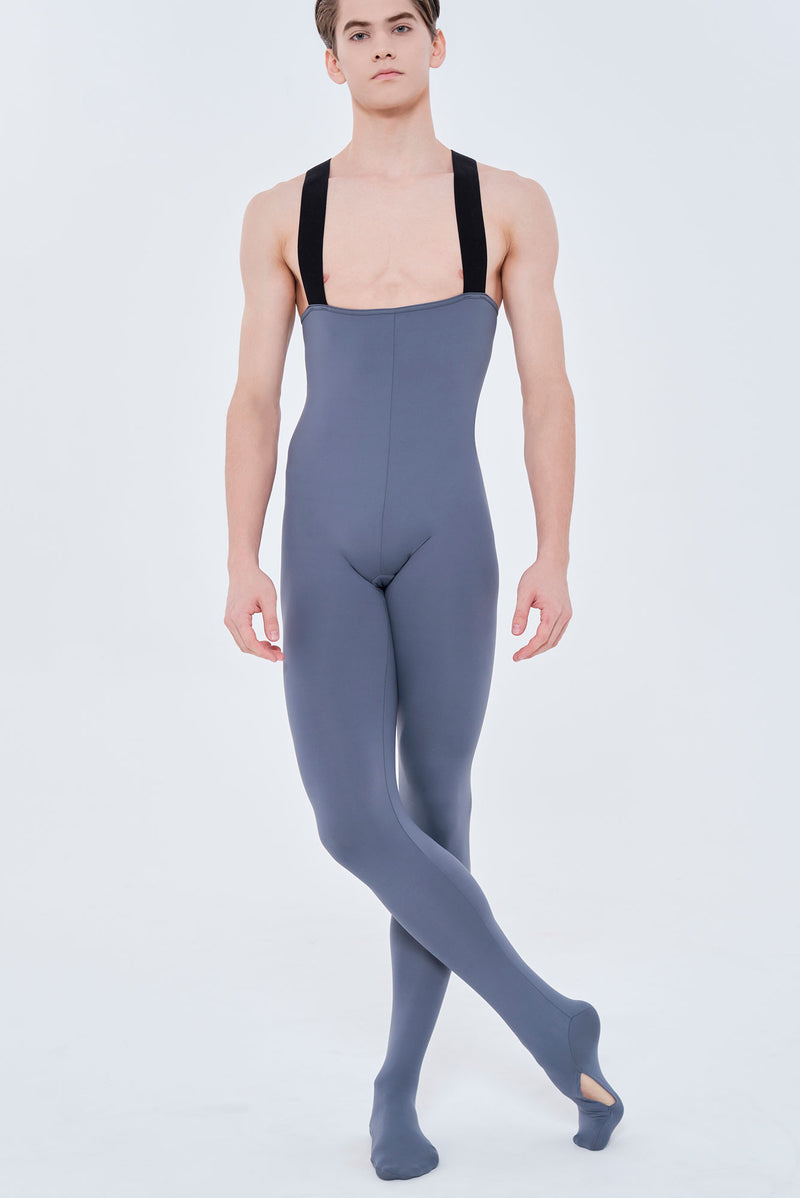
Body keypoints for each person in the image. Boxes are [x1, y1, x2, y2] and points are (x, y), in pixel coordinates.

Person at [223, 0, 624, 1182]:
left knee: (436, 817)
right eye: (357, 32)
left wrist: (554, 552)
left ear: (435, 44)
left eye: (401, 23)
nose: (382, 45)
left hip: (452, 539)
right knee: (354, 822)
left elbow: (546, 391)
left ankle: (395, 1088)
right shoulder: (281, 212)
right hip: (323, 542)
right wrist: (240, 556)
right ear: (331, 59)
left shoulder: (505, 203)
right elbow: (254, 397)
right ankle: (554, 1023)